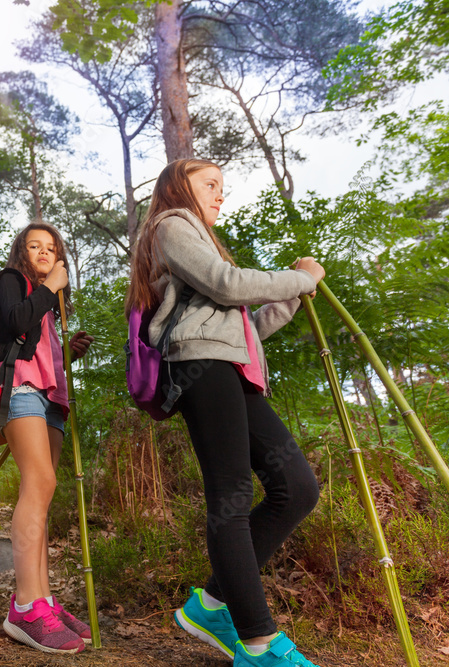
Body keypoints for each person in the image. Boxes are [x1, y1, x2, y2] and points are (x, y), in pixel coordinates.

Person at [127, 158, 325, 667]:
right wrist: (297, 278)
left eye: (223, 187)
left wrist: (297, 296)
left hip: (232, 367)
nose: (220, 195)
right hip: (200, 365)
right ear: (179, 187)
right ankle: (259, 645)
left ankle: (212, 605)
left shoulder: (201, 240)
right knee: (231, 498)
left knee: (297, 486)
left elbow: (246, 329)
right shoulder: (171, 224)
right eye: (210, 184)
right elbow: (227, 283)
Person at [0, 222, 95, 654]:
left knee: (45, 494)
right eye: (34, 246)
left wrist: (68, 354)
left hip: (50, 396)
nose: (44, 252)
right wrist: (51, 287)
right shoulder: (10, 281)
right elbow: (13, 323)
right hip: (20, 391)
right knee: (41, 484)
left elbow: (36, 350)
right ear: (22, 252)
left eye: (51, 248)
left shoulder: (50, 306)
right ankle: (26, 606)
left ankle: (45, 600)